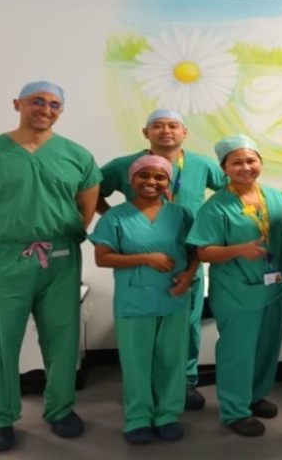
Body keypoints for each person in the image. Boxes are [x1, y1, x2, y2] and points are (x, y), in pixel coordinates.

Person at [0, 81, 101, 453]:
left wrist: (56, 238)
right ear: (17, 104)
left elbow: (86, 210)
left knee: (63, 337)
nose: (45, 109)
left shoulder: (77, 156)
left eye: (54, 104)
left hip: (60, 258)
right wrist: (7, 241)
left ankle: (60, 408)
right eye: (37, 101)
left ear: (61, 111)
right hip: (3, 258)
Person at [97, 109, 226, 411]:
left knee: (188, 324)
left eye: (173, 126)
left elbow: (231, 191)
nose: (165, 131)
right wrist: (117, 218)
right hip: (142, 257)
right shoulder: (124, 165)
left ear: (184, 133)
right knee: (140, 330)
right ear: (146, 133)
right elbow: (91, 190)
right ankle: (142, 386)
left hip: (188, 256)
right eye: (157, 126)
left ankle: (185, 381)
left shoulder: (201, 165)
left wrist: (213, 227)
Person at [187, 135, 282, 437]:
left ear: (260, 162)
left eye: (251, 160)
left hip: (275, 287)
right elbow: (203, 251)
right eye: (236, 162)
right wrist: (238, 250)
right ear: (224, 168)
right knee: (237, 351)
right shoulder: (216, 207)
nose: (245, 167)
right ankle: (235, 410)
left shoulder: (276, 197)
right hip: (236, 291)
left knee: (267, 347)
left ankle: (255, 395)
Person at [90, 155, 198, 445]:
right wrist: (146, 258)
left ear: (168, 182)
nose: (151, 181)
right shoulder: (116, 217)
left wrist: (188, 276)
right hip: (134, 301)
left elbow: (195, 251)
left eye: (160, 177)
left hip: (173, 298)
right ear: (132, 180)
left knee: (171, 360)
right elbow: (102, 258)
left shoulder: (181, 215)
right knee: (136, 362)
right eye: (144, 175)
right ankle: (137, 418)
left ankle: (167, 415)